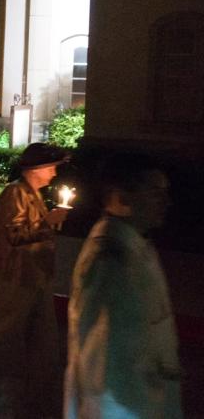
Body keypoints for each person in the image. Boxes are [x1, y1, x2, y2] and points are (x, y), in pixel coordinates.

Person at [64, 155, 181, 418]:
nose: (166, 202)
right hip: (124, 405)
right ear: (121, 198)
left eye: (165, 193)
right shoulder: (112, 258)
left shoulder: (135, 247)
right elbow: (103, 355)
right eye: (154, 193)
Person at [0, 142, 69, 418]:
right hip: (18, 277)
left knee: (45, 340)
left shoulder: (33, 194)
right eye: (52, 167)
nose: (55, 174)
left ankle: (39, 398)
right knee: (4, 334)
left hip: (37, 276)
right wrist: (49, 223)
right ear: (35, 169)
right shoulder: (14, 194)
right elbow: (15, 236)